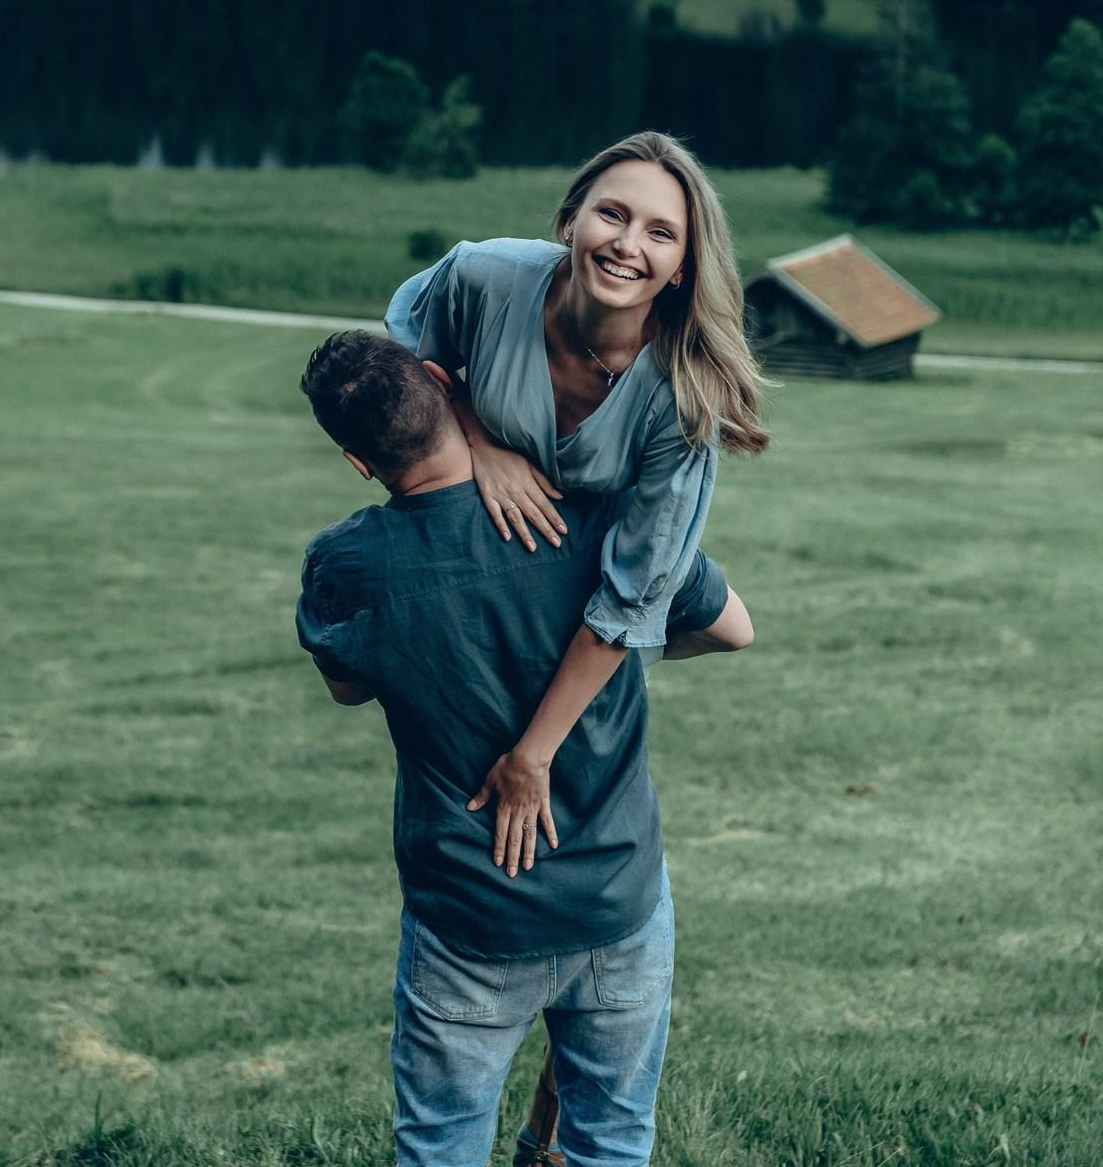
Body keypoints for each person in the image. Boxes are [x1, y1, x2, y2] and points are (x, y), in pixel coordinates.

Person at [386, 129, 769, 1161]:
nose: (627, 243)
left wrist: (532, 754)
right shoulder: (483, 276)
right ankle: (550, 1131)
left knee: (729, 627)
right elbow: (397, 360)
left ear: (683, 264)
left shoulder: (677, 396)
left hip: (616, 568)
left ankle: (556, 1122)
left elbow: (628, 596)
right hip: (504, 552)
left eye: (658, 232)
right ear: (568, 217)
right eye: (611, 213)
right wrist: (479, 438)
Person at [297, 331, 754, 1167]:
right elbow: (733, 629)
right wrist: (609, 656)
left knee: (440, 1147)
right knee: (608, 1141)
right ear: (444, 384)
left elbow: (347, 687)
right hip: (616, 897)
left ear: (356, 461)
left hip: (468, 917)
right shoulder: (596, 513)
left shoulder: (347, 565)